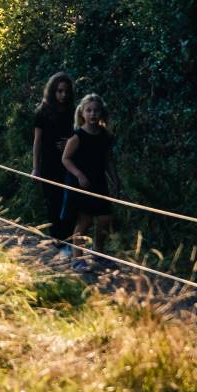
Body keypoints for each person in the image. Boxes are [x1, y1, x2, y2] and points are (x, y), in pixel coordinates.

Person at [61, 93, 119, 272]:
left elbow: (108, 160)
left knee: (104, 218)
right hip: (81, 183)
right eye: (89, 111)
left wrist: (115, 180)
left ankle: (98, 253)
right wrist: (79, 174)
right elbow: (66, 159)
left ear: (101, 113)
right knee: (84, 220)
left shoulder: (105, 136)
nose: (93, 114)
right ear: (82, 113)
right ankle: (77, 259)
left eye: (96, 111)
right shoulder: (77, 136)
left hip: (98, 181)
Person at [31, 72, 76, 251]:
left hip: (70, 163)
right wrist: (35, 168)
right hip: (49, 163)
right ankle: (57, 240)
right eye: (59, 91)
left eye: (66, 91)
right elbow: (37, 141)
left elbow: (80, 136)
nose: (63, 95)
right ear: (53, 91)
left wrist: (69, 144)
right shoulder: (42, 112)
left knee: (69, 200)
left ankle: (68, 239)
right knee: (53, 201)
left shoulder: (73, 112)